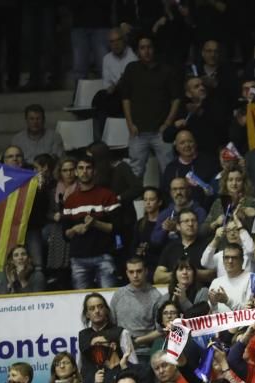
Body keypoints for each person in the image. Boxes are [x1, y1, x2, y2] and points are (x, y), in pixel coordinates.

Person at [119, 36, 179, 178]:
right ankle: (135, 200)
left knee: (168, 171)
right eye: (142, 48)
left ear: (154, 49)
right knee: (135, 173)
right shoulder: (131, 69)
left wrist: (168, 123)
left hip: (161, 132)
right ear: (138, 51)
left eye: (149, 47)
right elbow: (125, 98)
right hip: (138, 131)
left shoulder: (166, 70)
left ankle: (168, 200)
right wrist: (129, 123)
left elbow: (176, 98)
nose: (146, 51)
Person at [62, 157, 120, 290]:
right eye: (81, 168)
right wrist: (74, 230)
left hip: (104, 255)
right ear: (76, 172)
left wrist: (95, 223)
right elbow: (65, 234)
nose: (84, 171)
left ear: (94, 172)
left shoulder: (108, 195)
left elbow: (118, 228)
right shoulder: (70, 200)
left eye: (88, 168)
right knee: (81, 301)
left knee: (108, 297)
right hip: (78, 258)